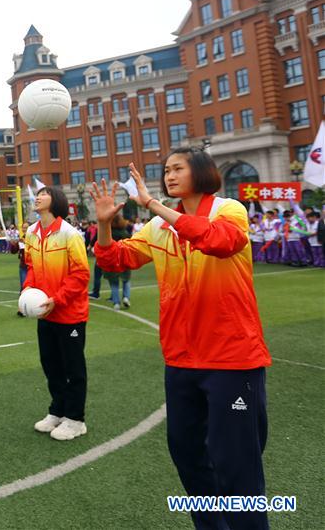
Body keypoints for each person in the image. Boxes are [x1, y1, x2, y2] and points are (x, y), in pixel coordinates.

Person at [91, 150, 271, 530]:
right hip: (180, 361)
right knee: (188, 457)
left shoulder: (228, 209)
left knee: (236, 467)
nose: (169, 175)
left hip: (231, 360)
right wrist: (105, 226)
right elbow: (113, 260)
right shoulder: (159, 228)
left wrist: (153, 204)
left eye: (178, 168)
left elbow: (217, 241)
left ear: (201, 171)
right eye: (166, 170)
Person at [21, 187, 90, 441]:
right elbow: (31, 266)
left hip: (69, 313)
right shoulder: (32, 232)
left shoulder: (70, 234)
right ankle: (58, 410)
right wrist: (27, 290)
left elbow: (81, 274)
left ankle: (75, 419)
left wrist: (57, 299)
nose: (37, 197)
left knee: (73, 368)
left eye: (43, 194)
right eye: (37, 194)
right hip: (44, 313)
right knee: (51, 365)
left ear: (56, 201)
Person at [103, 215, 132, 310]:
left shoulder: (108, 233)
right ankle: (126, 297)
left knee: (114, 283)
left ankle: (116, 302)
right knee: (126, 280)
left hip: (111, 260)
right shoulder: (125, 233)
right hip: (124, 259)